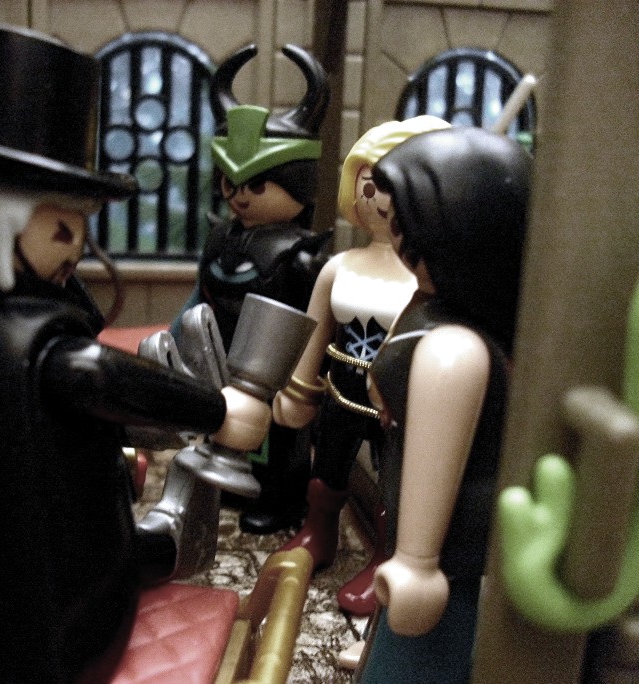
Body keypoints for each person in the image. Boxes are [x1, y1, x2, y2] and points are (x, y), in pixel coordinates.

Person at [0, 25, 268, 683]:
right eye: (62, 229)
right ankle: (160, 548)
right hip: (51, 619)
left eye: (82, 230)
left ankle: (156, 545)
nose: (78, 248)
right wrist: (216, 408)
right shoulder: (31, 335)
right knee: (111, 561)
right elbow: (96, 374)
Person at [358, 126, 531, 683]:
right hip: (439, 536)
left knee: (421, 661)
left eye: (403, 225)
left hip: (450, 556)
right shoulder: (450, 311)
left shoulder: (451, 349)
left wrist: (417, 564)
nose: (394, 237)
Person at [273, 116, 450, 616]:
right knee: (328, 465)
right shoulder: (339, 267)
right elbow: (314, 330)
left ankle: (386, 557)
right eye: (370, 183)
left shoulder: (427, 278)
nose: (379, 199)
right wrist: (299, 387)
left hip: (397, 400)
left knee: (395, 481)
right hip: (340, 390)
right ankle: (320, 532)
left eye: (395, 187)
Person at [174, 44, 333, 533]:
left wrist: (304, 382)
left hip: (278, 369)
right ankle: (225, 482)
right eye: (230, 183)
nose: (239, 196)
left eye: (257, 185)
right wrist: (182, 331)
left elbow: (318, 323)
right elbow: (201, 292)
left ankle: (280, 500)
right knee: (219, 420)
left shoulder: (301, 257)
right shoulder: (220, 236)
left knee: (279, 439)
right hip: (221, 354)